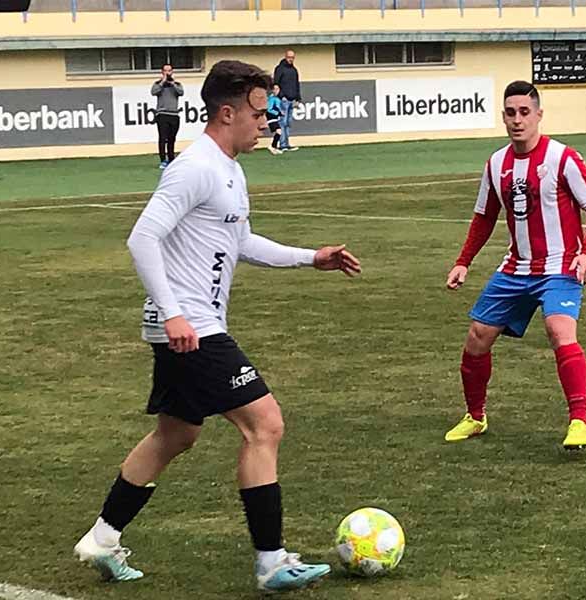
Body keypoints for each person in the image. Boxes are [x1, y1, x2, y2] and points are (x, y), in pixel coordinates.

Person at [74, 60, 361, 592]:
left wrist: (310, 257)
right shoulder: (196, 167)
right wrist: (174, 311)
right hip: (191, 327)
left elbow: (242, 242)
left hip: (188, 325)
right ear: (227, 112)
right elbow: (142, 238)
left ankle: (103, 538)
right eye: (258, 110)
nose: (266, 120)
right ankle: (272, 562)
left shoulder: (230, 167)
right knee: (264, 424)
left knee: (176, 434)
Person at [444, 80, 586, 450]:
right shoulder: (497, 163)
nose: (517, 120)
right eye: (510, 112)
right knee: (477, 338)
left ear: (538, 115)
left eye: (524, 112)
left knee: (559, 329)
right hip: (516, 268)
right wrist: (463, 262)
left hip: (561, 265)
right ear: (503, 116)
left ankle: (580, 422)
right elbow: (484, 217)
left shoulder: (563, 158)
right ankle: (475, 417)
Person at [151, 64, 184, 169]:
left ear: (172, 71)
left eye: (169, 71)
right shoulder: (157, 84)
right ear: (162, 72)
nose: (167, 73)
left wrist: (172, 83)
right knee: (162, 138)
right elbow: (154, 92)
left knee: (172, 138)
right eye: (165, 71)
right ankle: (163, 160)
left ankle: (171, 159)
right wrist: (163, 82)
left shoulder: (177, 84)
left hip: (174, 115)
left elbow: (181, 92)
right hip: (162, 114)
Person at [273, 49, 301, 152]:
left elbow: (296, 85)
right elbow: (275, 84)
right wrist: (281, 96)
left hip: (292, 100)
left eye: (293, 58)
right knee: (282, 122)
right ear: (285, 57)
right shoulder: (280, 69)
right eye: (289, 57)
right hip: (283, 101)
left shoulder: (294, 70)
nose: (291, 59)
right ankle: (282, 144)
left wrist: (298, 98)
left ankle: (287, 144)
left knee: (288, 123)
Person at [266, 83, 283, 155]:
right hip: (271, 118)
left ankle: (274, 147)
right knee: (279, 131)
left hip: (275, 118)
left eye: (278, 89)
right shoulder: (271, 99)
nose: (276, 91)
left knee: (278, 131)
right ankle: (273, 146)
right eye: (275, 89)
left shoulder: (277, 99)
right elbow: (269, 109)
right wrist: (278, 113)